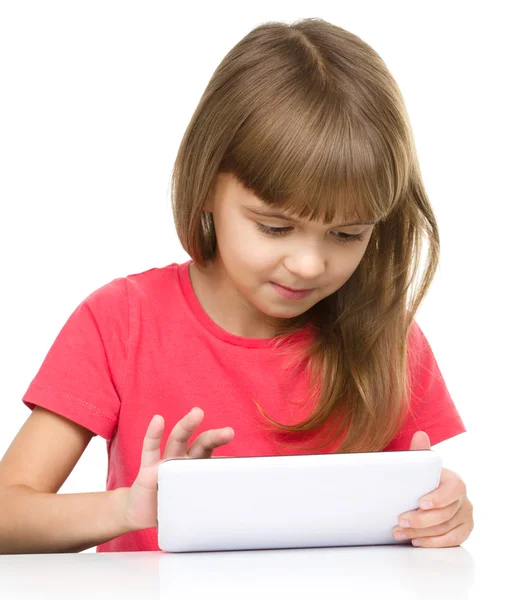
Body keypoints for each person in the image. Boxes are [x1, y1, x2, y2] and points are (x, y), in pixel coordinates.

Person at [0, 17, 473, 554]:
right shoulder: (122, 322)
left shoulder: (389, 341)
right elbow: (6, 515)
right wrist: (127, 509)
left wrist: (444, 515)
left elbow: (418, 516)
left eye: (346, 234)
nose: (309, 264)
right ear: (206, 186)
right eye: (274, 227)